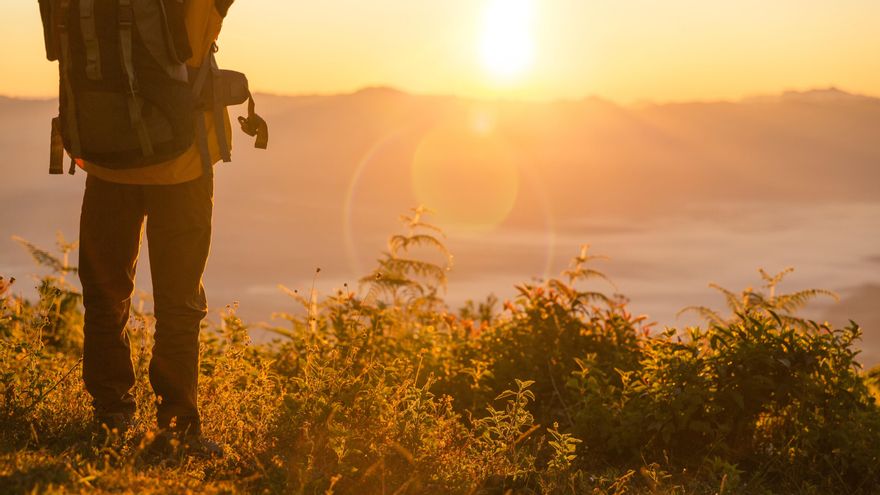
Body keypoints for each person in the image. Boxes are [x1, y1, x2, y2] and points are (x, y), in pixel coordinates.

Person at [78, 0, 236, 457]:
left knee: (105, 296)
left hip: (107, 159)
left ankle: (110, 419)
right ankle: (179, 429)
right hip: (183, 165)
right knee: (179, 303)